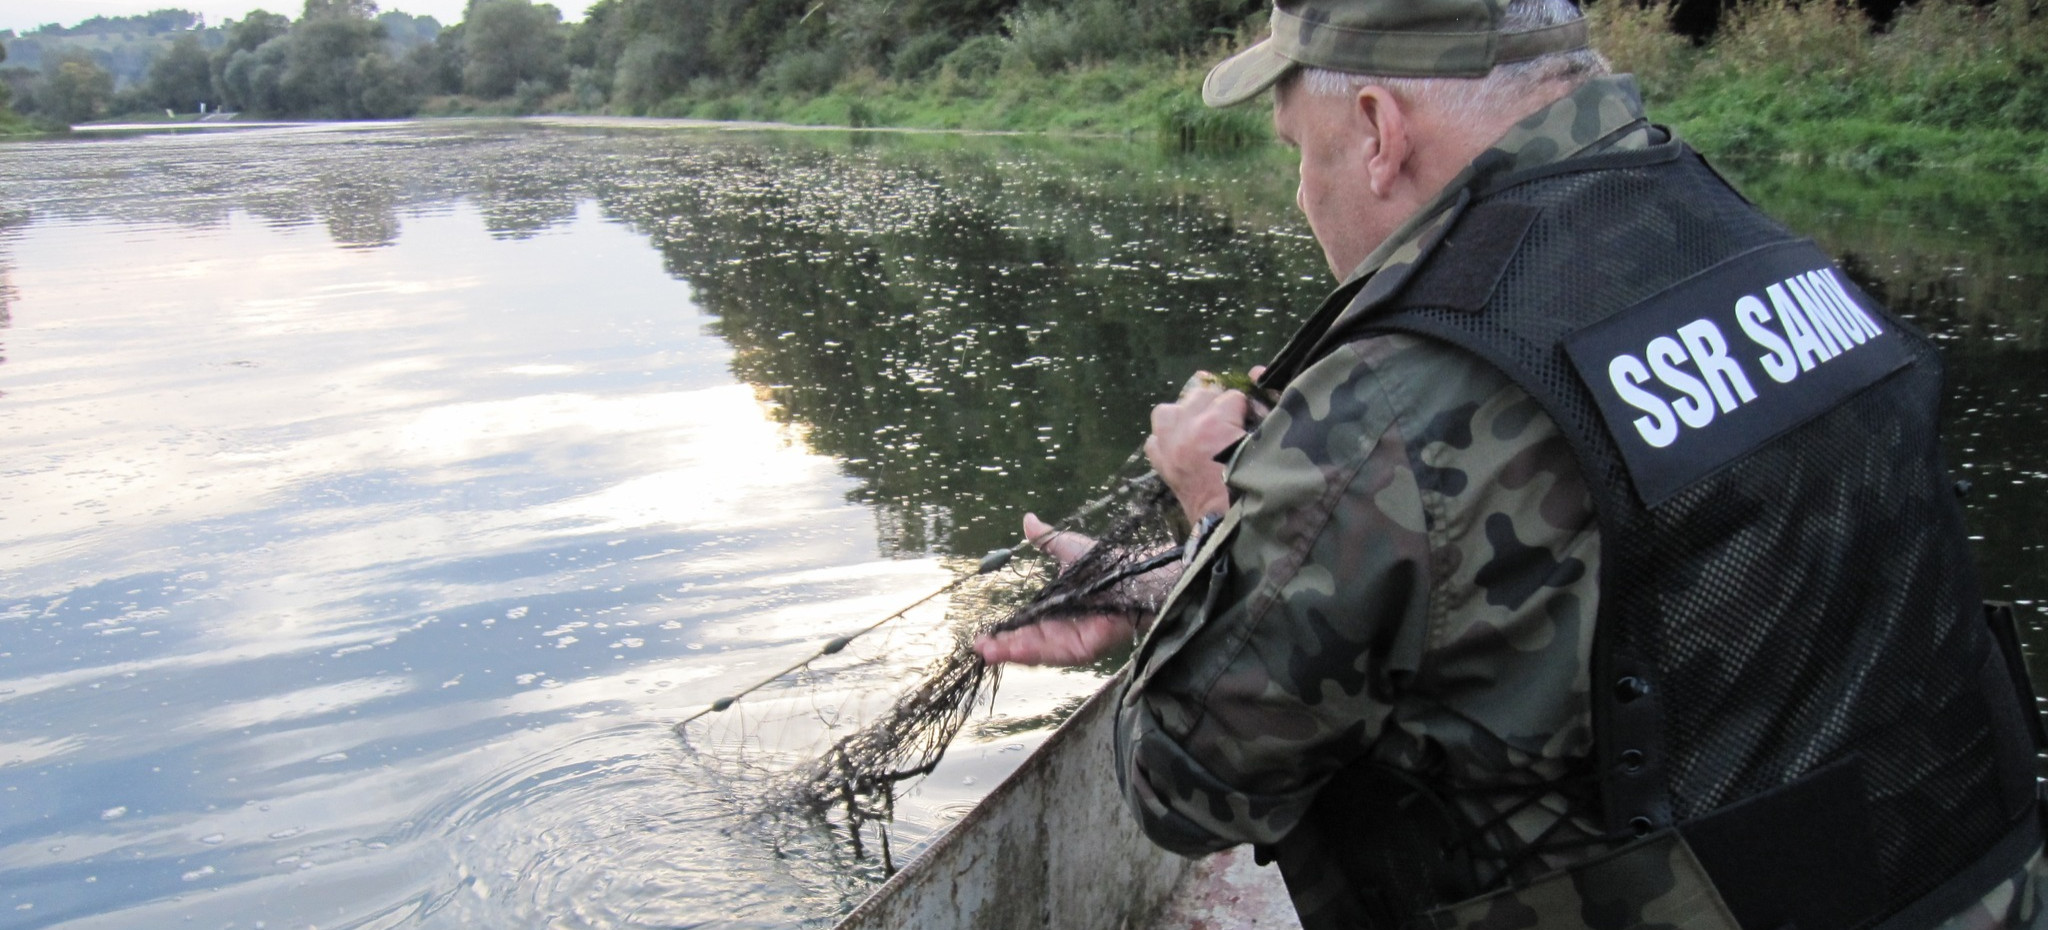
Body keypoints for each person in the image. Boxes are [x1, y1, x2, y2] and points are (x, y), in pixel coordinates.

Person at [974, 0, 2048, 927]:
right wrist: (1196, 582)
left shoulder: (1385, 402)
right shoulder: (1758, 245)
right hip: (1967, 883)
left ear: (1375, 130)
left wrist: (1218, 514)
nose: (1304, 194)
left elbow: (1182, 784)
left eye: (1296, 152)